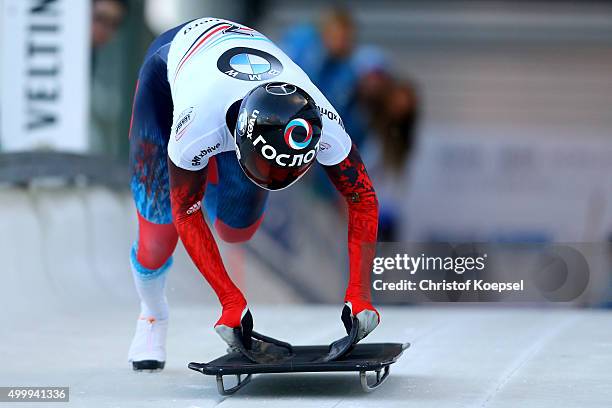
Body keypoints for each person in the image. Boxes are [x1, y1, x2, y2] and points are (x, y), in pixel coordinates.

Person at [127, 17, 380, 370]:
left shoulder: (324, 122)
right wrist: (229, 300)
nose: (275, 179)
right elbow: (185, 212)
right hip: (168, 76)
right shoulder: (197, 127)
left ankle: (205, 176)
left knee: (237, 228)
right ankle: (152, 315)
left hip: (233, 90)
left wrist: (359, 293)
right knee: (158, 233)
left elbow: (362, 198)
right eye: (268, 169)